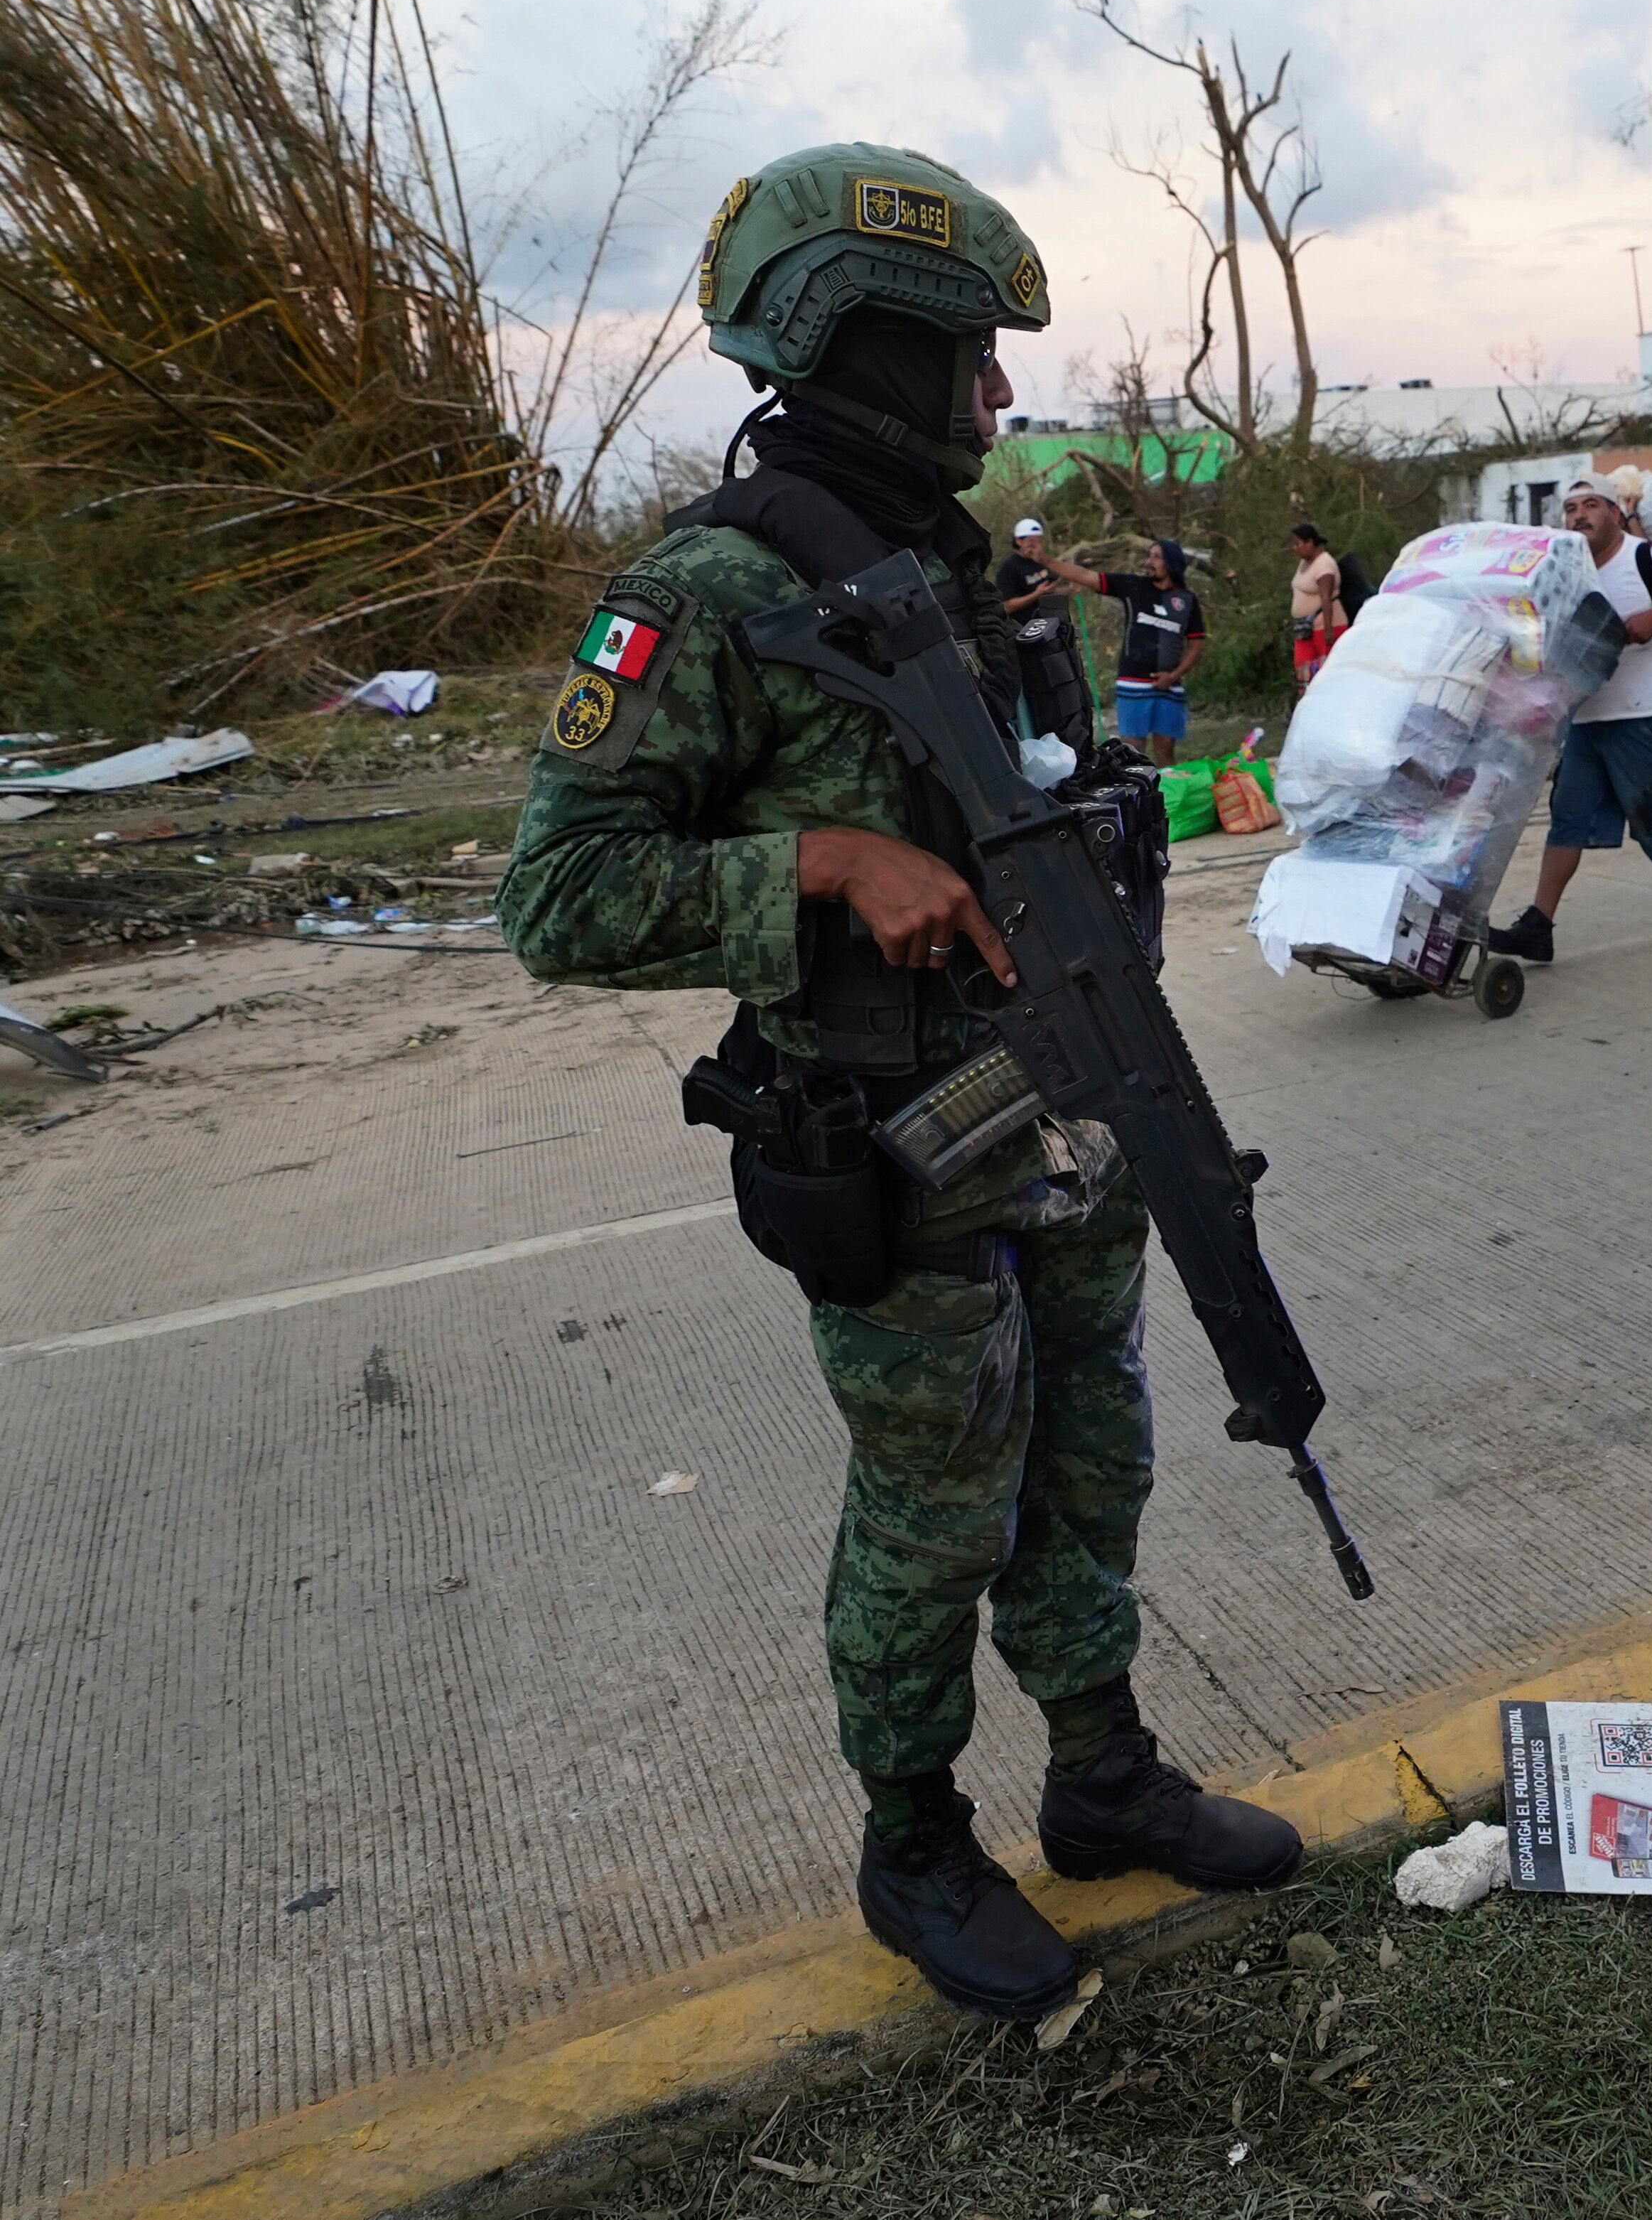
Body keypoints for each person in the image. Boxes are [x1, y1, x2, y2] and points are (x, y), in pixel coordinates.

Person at [497, 143, 1302, 2030]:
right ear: (866, 349)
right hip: (895, 1143)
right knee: (937, 1509)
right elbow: (559, 897)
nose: (998, 395)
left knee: (1091, 1459)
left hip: (1068, 1115)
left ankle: (1100, 1775)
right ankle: (914, 1840)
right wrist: (824, 865)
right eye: (968, 356)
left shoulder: (955, 571)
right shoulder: (704, 592)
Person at [1481, 472, 1652, 960]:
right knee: (1567, 818)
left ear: (1615, 513)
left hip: (1648, 713)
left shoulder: (1649, 559)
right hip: (1584, 718)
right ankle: (1539, 926)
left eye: (1591, 505)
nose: (1580, 516)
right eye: (1571, 509)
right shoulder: (1562, 572)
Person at [1038, 539, 1206, 761]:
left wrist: (1174, 676)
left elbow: (1196, 645)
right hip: (1132, 684)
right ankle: (1141, 783)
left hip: (1169, 686)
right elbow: (1087, 576)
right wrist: (1046, 560)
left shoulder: (1186, 600)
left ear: (1172, 563)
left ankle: (1169, 784)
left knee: (1165, 748)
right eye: (1149, 556)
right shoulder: (1133, 586)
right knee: (1133, 749)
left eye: (1157, 557)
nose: (1149, 562)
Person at [995, 518, 1094, 757]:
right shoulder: (1010, 568)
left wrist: (1067, 590)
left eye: (1037, 541)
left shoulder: (1042, 564)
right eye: (1029, 541)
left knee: (1068, 687)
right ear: (1018, 541)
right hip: (1026, 639)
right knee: (1041, 692)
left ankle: (1075, 740)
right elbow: (1006, 606)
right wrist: (1036, 594)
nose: (1034, 545)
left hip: (1053, 637)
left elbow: (1048, 591)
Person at [1288, 520, 1343, 688]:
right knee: (1303, 669)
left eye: (1298, 544)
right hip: (1305, 628)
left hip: (1325, 625)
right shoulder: (1304, 563)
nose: (1295, 548)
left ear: (1310, 542)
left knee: (1327, 672)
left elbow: (1326, 597)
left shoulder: (1324, 564)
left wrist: (1328, 629)